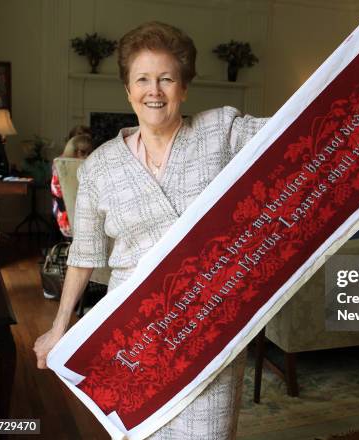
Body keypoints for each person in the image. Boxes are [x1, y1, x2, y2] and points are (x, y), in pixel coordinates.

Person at [33, 21, 270, 439]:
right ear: (128, 90)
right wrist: (59, 325)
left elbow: (301, 129)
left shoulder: (221, 132)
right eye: (142, 79)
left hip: (208, 320)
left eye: (166, 79)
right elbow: (84, 253)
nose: (154, 91)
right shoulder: (100, 167)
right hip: (134, 330)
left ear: (184, 87)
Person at [50, 134, 95, 239]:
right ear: (72, 150)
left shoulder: (88, 166)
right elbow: (60, 195)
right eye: (82, 152)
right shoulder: (61, 165)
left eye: (89, 153)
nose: (86, 157)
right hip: (68, 217)